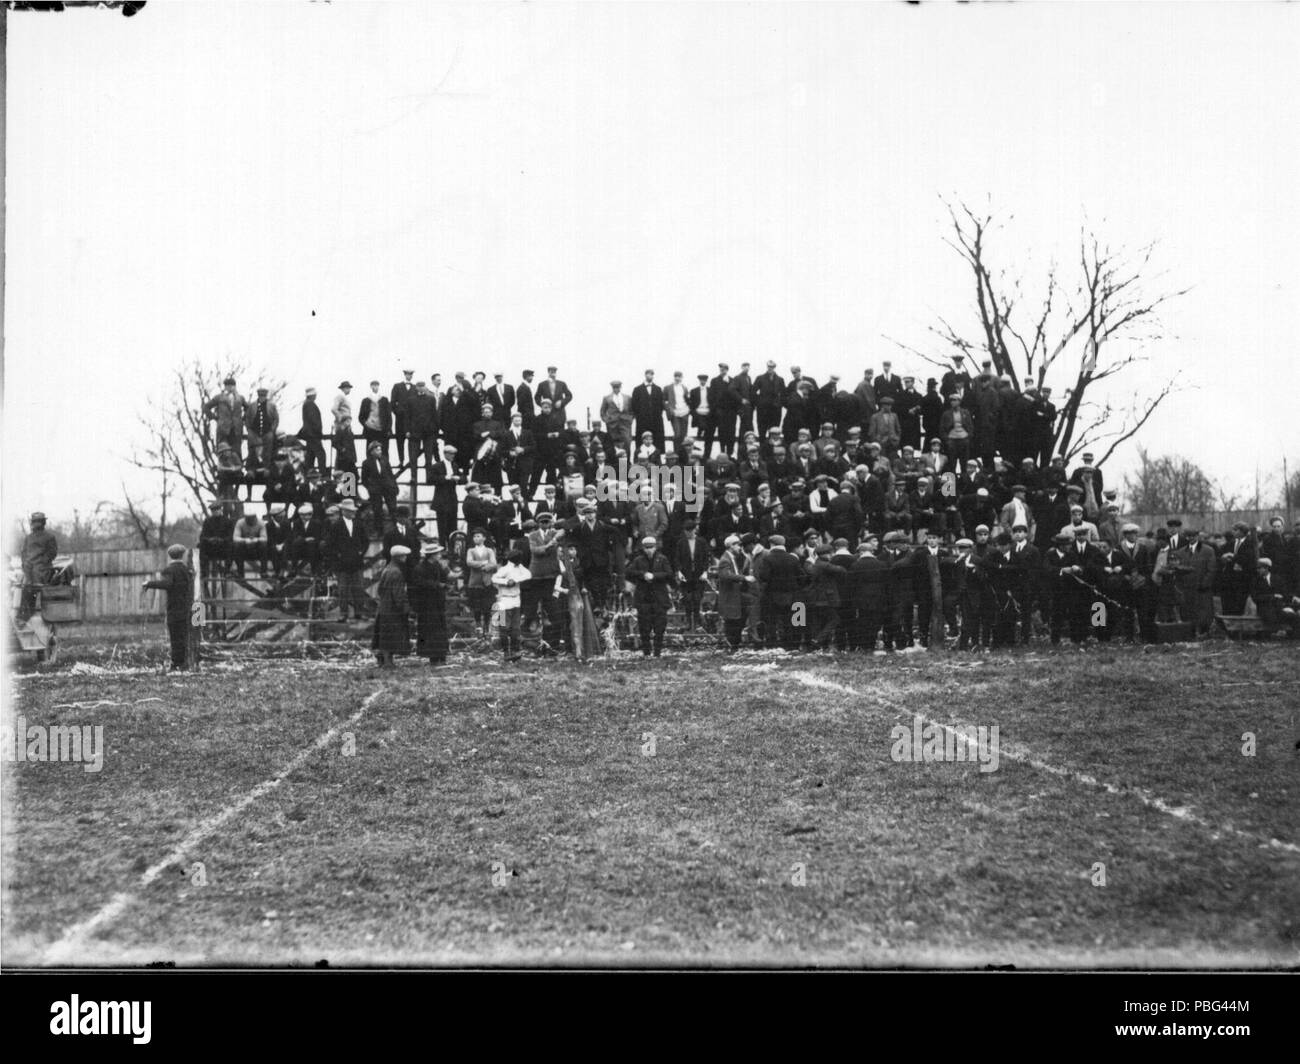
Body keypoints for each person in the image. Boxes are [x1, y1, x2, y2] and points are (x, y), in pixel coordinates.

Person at [143, 544, 195, 671]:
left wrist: (149, 583)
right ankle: (185, 663)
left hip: (175, 609)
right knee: (184, 637)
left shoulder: (169, 570)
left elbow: (167, 584)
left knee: (175, 638)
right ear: (182, 555)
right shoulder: (187, 570)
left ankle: (176, 664)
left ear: (170, 556)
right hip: (188, 608)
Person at [324, 498, 372, 621]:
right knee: (343, 590)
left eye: (353, 511)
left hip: (356, 562)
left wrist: (361, 552)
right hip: (342, 564)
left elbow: (365, 541)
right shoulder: (336, 526)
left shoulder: (358, 524)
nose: (353, 513)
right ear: (344, 511)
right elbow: (329, 545)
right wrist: (338, 555)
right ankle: (343, 614)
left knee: (358, 589)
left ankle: (359, 612)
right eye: (350, 511)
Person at [626, 535, 675, 657]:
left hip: (659, 597)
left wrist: (654, 576)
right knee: (644, 626)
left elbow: (669, 574)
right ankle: (647, 652)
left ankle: (657, 652)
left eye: (651, 547)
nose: (649, 550)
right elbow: (629, 573)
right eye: (647, 548)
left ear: (655, 547)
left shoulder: (662, 559)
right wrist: (643, 575)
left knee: (660, 627)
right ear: (643, 548)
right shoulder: (638, 560)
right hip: (644, 598)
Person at [409, 540, 451, 665]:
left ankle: (441, 655)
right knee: (430, 630)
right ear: (432, 555)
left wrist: (446, 584)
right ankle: (433, 656)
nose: (440, 555)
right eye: (438, 553)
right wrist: (437, 585)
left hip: (438, 602)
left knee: (440, 629)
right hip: (426, 604)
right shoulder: (420, 568)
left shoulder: (438, 566)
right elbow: (419, 583)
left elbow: (445, 577)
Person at [372, 544, 411, 667]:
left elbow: (379, 590)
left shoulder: (387, 569)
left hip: (384, 607)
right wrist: (404, 608)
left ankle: (382, 660)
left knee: (384, 635)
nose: (405, 558)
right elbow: (398, 593)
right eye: (404, 556)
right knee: (391, 636)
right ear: (399, 557)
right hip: (393, 609)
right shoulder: (397, 572)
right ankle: (388, 662)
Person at [491, 550, 531, 661]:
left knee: (515, 628)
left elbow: (528, 574)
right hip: (504, 600)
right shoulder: (504, 569)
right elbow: (494, 578)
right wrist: (506, 582)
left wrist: (516, 580)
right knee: (504, 627)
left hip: (516, 600)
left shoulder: (520, 568)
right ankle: (506, 652)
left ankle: (515, 651)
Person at [19, 511, 59, 618]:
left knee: (33, 587)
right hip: (29, 570)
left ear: (43, 523)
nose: (35, 524)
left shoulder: (49, 537)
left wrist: (41, 563)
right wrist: (25, 565)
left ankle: (28, 616)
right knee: (24, 588)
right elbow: (23, 553)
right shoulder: (29, 538)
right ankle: (24, 617)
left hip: (42, 570)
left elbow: (52, 553)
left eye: (37, 522)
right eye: (34, 522)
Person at [204, 377, 247, 462]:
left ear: (235, 386)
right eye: (228, 386)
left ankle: (238, 471)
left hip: (236, 429)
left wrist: (243, 419)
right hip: (223, 429)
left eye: (232, 386)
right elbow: (206, 407)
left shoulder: (240, 398)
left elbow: (248, 409)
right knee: (223, 451)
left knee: (237, 452)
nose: (230, 388)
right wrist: (214, 417)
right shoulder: (219, 397)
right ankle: (223, 472)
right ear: (225, 387)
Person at [299, 387, 328, 473]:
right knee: (321, 455)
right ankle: (322, 474)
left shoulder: (306, 404)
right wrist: (319, 433)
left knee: (310, 456)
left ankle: (309, 474)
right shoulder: (310, 404)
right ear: (313, 395)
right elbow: (314, 420)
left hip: (309, 435)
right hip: (313, 435)